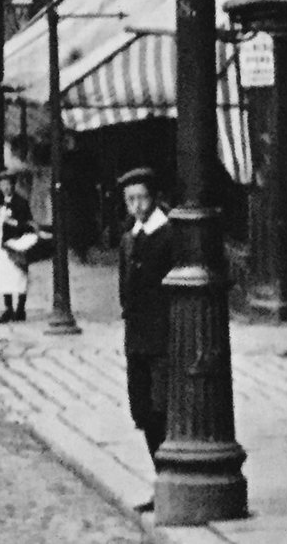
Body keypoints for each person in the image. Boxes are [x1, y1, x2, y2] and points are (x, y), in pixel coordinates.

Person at [117, 165, 175, 460]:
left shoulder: (168, 235)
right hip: (137, 337)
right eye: (130, 200)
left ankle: (168, 475)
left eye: (141, 198)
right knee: (141, 409)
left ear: (153, 198)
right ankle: (160, 474)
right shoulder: (129, 237)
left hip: (162, 336)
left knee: (160, 406)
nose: (136, 206)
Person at [0, 166, 38, 323]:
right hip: (3, 244)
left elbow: (28, 224)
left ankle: (20, 309)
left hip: (17, 244)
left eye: (8, 184)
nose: (5, 188)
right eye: (2, 184)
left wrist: (14, 222)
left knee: (19, 276)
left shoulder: (21, 203)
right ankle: (8, 308)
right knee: (4, 276)